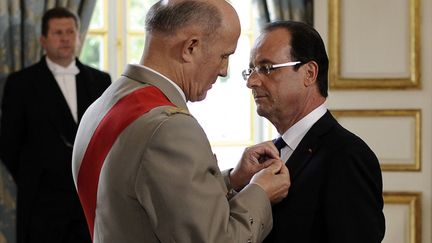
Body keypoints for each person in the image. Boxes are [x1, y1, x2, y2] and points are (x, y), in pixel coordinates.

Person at [71, 0, 290, 242]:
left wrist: (233, 179)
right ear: (191, 48)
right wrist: (259, 192)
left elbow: (150, 196)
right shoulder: (170, 127)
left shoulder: (102, 105)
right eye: (223, 56)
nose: (224, 70)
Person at [243, 21, 385, 243]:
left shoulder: (347, 156)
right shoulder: (266, 156)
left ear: (309, 73)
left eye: (267, 68)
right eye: (251, 70)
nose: (252, 81)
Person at [0, 7, 111, 243]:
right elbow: (8, 143)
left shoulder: (101, 81)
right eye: (58, 33)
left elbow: (107, 136)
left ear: (79, 37)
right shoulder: (21, 83)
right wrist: (34, 176)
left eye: (70, 32)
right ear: (43, 40)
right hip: (41, 204)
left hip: (88, 201)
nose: (65, 38)